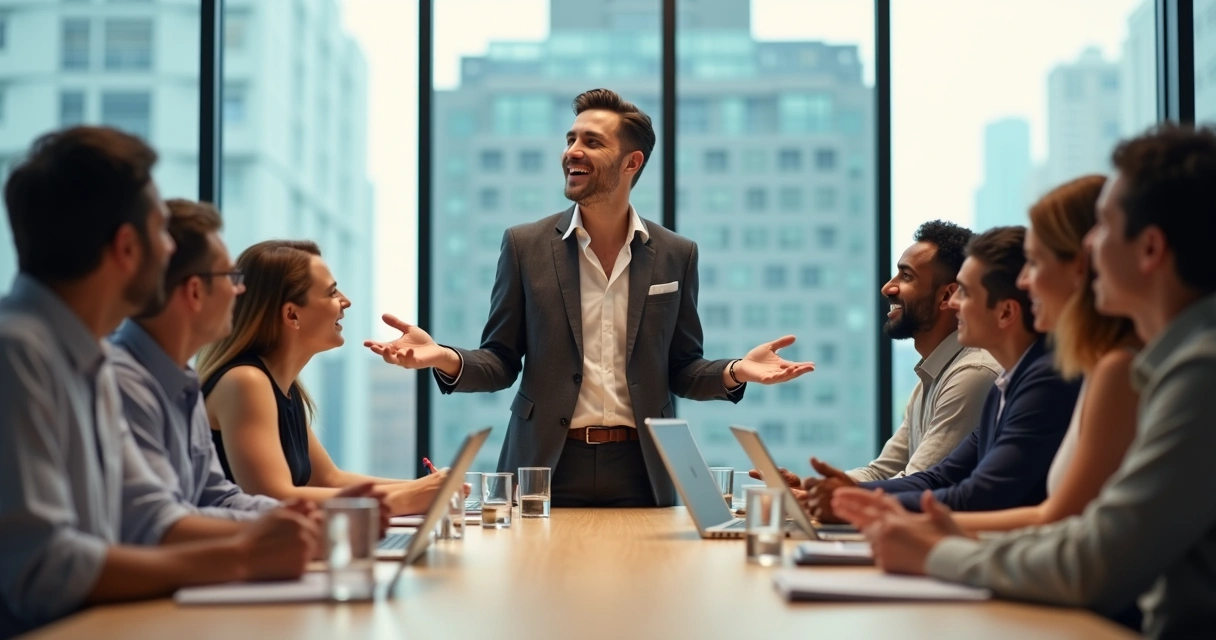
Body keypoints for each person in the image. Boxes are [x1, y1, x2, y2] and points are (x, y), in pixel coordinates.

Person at [830, 125, 1216, 638]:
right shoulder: (1160, 366)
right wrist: (914, 526)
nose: (1089, 249)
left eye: (1102, 228)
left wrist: (936, 549)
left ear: (1149, 248)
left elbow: (1091, 556)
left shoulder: (1196, 372)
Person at [364, 88, 814, 507]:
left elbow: (682, 369)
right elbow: (500, 360)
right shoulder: (524, 246)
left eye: (592, 142)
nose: (572, 151)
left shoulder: (677, 254)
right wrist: (443, 357)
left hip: (644, 467)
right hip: (545, 462)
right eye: (571, 139)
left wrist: (737, 371)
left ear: (631, 163)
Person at [0, 127, 316, 637]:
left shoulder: (90, 358)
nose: (169, 251)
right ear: (127, 247)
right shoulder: (17, 354)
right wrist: (240, 558)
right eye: (160, 232)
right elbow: (41, 568)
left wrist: (291, 528)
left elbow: (150, 517)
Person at [109, 199, 388, 524]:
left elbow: (221, 497)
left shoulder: (184, 383)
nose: (238, 291)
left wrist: (309, 522)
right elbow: (160, 524)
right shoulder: (239, 380)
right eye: (229, 277)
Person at [805, 226, 1080, 520]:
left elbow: (979, 494)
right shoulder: (1004, 386)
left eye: (966, 292)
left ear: (1005, 313)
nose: (955, 303)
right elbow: (939, 477)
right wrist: (843, 493)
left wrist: (852, 502)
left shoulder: (1029, 380)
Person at [946, 175, 1140, 533]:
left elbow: (1063, 527)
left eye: (1034, 262)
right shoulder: (1094, 366)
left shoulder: (1102, 369)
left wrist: (923, 531)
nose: (1024, 281)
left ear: (1079, 268)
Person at [197, 240, 446, 516]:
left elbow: (329, 479)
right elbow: (273, 497)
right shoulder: (246, 382)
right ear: (292, 314)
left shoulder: (283, 386)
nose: (346, 301)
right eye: (331, 292)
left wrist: (432, 487)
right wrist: (410, 497)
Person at [753, 221, 999, 492]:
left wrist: (829, 497)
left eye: (906, 276)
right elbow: (882, 472)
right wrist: (809, 488)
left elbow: (918, 483)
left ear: (947, 296)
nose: (887, 288)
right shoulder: (931, 377)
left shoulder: (973, 373)